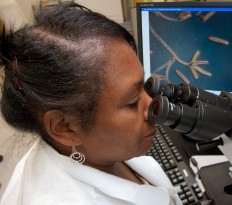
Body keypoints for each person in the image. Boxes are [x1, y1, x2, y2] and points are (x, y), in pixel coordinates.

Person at [0, 2, 182, 205]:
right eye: (132, 102)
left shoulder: (93, 151)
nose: (153, 106)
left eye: (144, 87)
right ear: (65, 127)